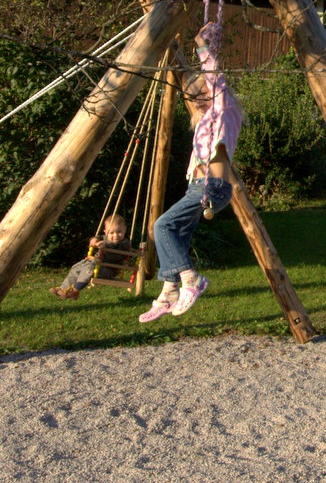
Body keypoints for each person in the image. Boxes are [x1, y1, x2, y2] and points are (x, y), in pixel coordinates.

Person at [138, 31, 242, 324]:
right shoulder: (203, 121)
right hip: (197, 187)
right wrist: (176, 49)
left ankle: (190, 279)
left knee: (162, 225)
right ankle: (169, 290)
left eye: (203, 94)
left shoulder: (224, 113)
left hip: (213, 187)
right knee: (177, 235)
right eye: (192, 96)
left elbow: (216, 80)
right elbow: (193, 87)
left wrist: (201, 47)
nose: (197, 99)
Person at [51, 214, 132, 300]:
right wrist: (94, 240)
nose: (115, 236)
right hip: (96, 264)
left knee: (88, 268)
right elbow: (96, 238)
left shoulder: (124, 244)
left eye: (119, 232)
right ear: (105, 232)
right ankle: (64, 288)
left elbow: (114, 251)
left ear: (125, 230)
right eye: (111, 233)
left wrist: (104, 245)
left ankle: (75, 290)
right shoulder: (104, 238)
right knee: (77, 267)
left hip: (109, 269)